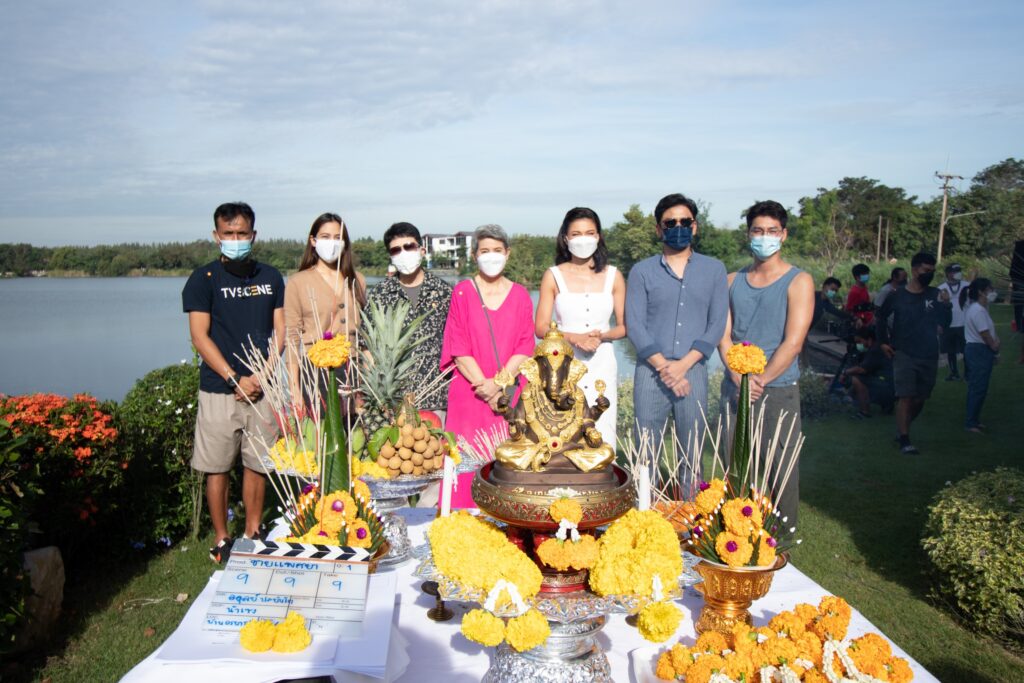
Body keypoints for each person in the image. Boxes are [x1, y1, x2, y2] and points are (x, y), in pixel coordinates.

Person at [182, 202, 284, 563]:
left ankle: (253, 530)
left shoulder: (271, 277)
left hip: (263, 387)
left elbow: (280, 330)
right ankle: (222, 536)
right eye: (229, 234)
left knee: (258, 463)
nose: (236, 239)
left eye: (242, 233)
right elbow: (200, 336)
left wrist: (262, 375)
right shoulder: (203, 279)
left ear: (253, 235)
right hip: (219, 388)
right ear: (216, 236)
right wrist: (234, 378)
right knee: (218, 466)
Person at [718, 200, 814, 528]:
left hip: (778, 389)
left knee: (780, 469)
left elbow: (793, 342)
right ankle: (734, 537)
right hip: (735, 386)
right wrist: (738, 377)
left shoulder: (799, 281)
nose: (765, 237)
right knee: (735, 468)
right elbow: (723, 335)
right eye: (758, 230)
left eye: (772, 231)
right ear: (748, 234)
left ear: (783, 235)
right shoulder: (731, 280)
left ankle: (781, 540)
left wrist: (759, 380)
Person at [625, 193, 728, 485]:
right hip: (651, 370)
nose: (678, 227)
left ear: (695, 226)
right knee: (646, 448)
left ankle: (691, 507)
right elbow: (635, 324)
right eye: (670, 223)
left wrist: (682, 366)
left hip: (692, 369)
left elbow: (716, 323)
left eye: (685, 221)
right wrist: (664, 367)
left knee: (692, 448)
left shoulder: (714, 269)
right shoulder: (642, 271)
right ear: (659, 229)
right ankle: (644, 507)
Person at [441, 224, 535, 505]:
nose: (491, 256)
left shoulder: (521, 295)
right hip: (469, 394)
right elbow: (458, 347)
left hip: (510, 396)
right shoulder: (462, 292)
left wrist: (498, 384)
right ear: (474, 256)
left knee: (508, 468)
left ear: (507, 254)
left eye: (497, 250)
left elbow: (525, 346)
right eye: (484, 251)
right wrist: (484, 385)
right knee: (465, 466)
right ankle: (460, 521)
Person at [535, 207, 626, 448]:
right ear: (566, 238)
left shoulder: (613, 275)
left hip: (602, 362)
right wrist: (575, 338)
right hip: (563, 363)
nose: (583, 239)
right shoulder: (553, 275)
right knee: (563, 432)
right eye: (576, 234)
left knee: (602, 429)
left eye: (589, 233)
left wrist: (601, 335)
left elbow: (624, 327)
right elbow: (541, 327)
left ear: (598, 236)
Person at [366, 222, 453, 420]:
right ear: (390, 256)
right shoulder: (381, 293)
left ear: (422, 250)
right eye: (396, 250)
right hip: (394, 399)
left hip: (435, 396)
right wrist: (375, 392)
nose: (403, 253)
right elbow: (367, 346)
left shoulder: (444, 292)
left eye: (409, 246)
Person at [283, 213, 366, 412]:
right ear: (313, 241)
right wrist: (294, 388)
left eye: (338, 237)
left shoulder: (358, 280)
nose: (332, 243)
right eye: (325, 237)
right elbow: (292, 337)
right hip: (316, 370)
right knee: (322, 428)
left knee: (356, 428)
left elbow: (364, 333)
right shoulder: (298, 282)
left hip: (353, 370)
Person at [877, 252, 951, 455]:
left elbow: (945, 323)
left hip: (928, 353)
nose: (929, 274)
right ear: (915, 270)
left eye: (932, 271)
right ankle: (904, 440)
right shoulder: (897, 296)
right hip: (904, 352)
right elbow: (880, 317)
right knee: (906, 396)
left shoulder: (935, 294)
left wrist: (946, 306)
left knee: (920, 398)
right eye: (926, 270)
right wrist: (883, 342)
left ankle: (903, 428)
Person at [962, 278, 1000, 433]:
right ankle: (970, 422)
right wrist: (994, 346)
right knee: (978, 387)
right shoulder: (977, 310)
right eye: (990, 289)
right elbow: (984, 333)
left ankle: (974, 420)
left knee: (980, 387)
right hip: (978, 350)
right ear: (981, 292)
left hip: (980, 350)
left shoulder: (981, 309)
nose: (993, 292)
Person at [841, 327, 894, 418]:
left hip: (887, 386)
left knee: (856, 379)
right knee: (859, 380)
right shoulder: (877, 348)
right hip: (890, 384)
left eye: (859, 342)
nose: (858, 345)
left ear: (869, 340)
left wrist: (845, 372)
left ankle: (864, 412)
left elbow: (862, 369)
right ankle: (886, 405)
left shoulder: (875, 350)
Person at [936, 263, 970, 381]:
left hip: (964, 323)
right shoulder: (941, 288)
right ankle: (954, 373)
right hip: (948, 324)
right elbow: (938, 308)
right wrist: (938, 323)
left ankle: (968, 373)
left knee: (966, 350)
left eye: (959, 271)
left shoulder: (967, 286)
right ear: (948, 274)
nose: (957, 274)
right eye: (955, 271)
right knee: (950, 351)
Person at [846, 263, 874, 327]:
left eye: (868, 274)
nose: (867, 276)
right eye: (865, 274)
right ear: (857, 277)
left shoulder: (864, 288)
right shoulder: (854, 292)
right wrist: (859, 320)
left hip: (868, 318)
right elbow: (849, 310)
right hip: (861, 322)